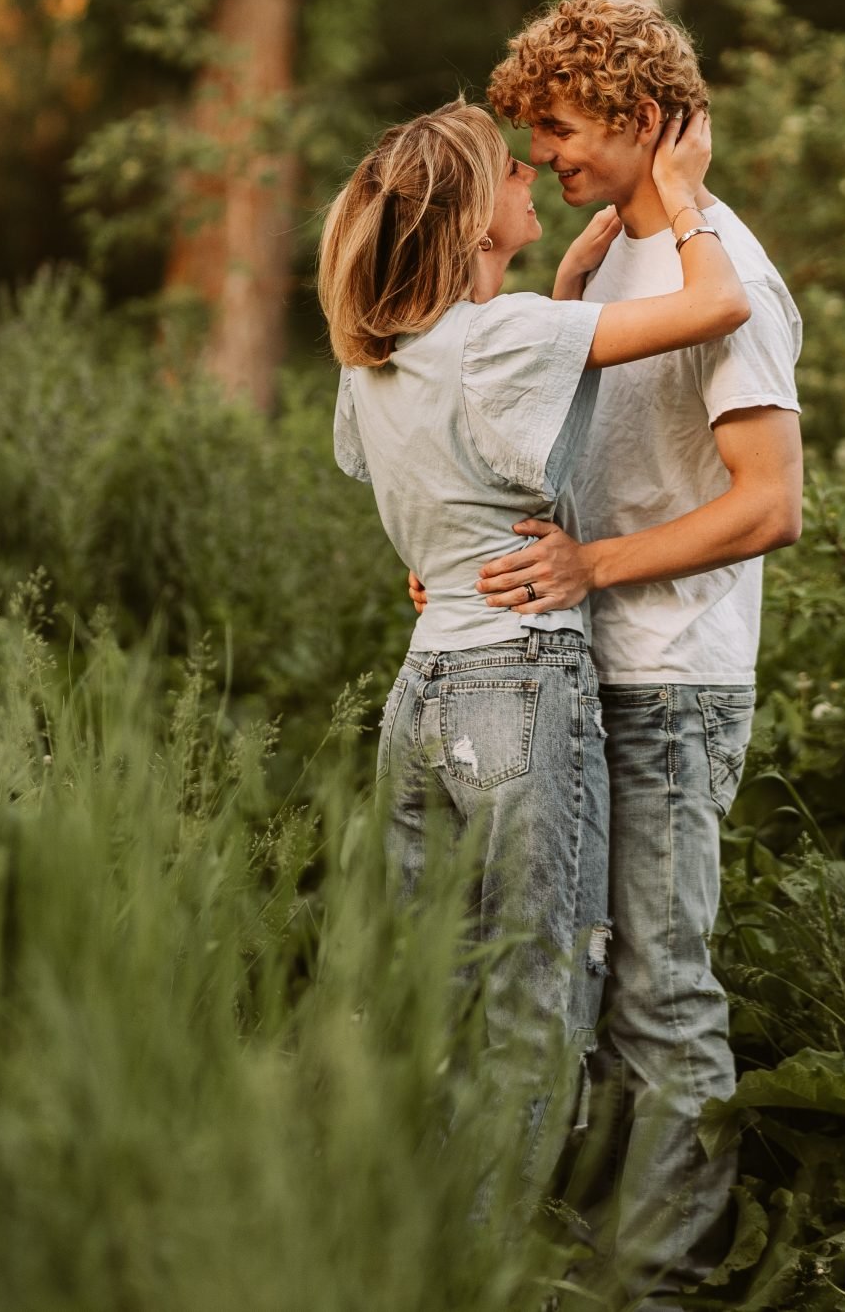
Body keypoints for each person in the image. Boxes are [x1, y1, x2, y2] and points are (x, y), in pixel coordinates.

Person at [316, 96, 746, 1198]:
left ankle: (406, 1240)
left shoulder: (376, 362)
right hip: (519, 685)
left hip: (423, 694)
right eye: (511, 173)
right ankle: (490, 1263)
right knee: (538, 998)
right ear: (472, 222)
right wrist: (686, 193)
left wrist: (560, 296)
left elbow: (475, 445)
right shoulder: (502, 338)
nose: (530, 182)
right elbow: (718, 303)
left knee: (437, 989)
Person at [470, 0, 805, 1309]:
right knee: (585, 982)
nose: (544, 154)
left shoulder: (732, 278)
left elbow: (769, 503)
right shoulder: (610, 253)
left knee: (662, 992)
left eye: (559, 126)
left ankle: (663, 1283)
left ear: (637, 113)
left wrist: (589, 565)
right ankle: (590, 1253)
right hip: (585, 673)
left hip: (674, 684)